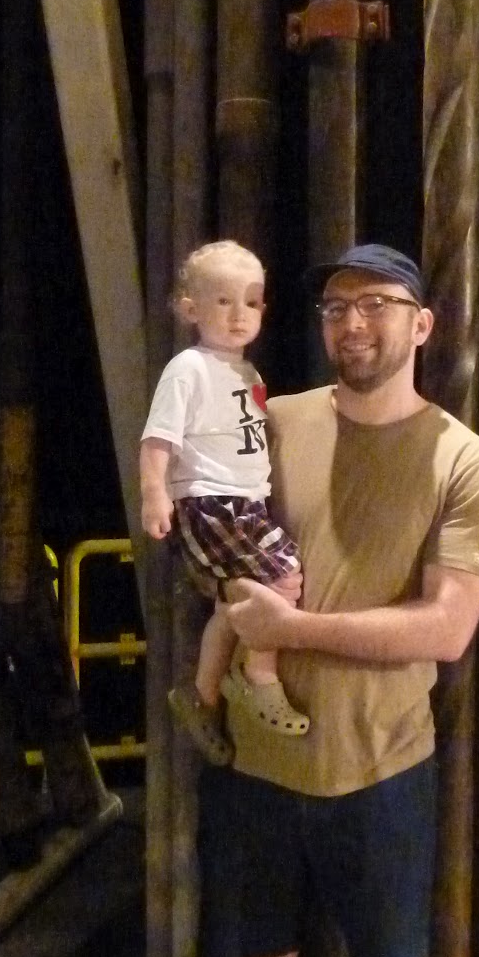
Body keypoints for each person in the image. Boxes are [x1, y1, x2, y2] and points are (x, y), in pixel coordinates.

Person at [186, 244, 479, 957]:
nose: (354, 323)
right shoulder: (272, 423)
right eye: (335, 307)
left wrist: (293, 629)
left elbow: (447, 628)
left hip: (383, 764)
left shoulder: (464, 460)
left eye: (378, 304)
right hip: (254, 761)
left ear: (423, 323)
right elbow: (209, 534)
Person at [140, 240, 308, 767]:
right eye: (223, 301)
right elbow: (158, 437)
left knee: (232, 606)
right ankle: (259, 673)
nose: (239, 315)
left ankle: (202, 695)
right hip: (211, 500)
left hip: (247, 502)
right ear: (190, 308)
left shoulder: (248, 373)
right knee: (283, 577)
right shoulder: (188, 368)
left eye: (251, 302)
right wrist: (154, 493)